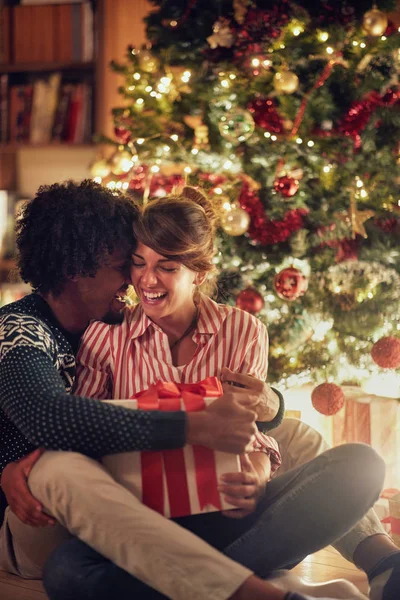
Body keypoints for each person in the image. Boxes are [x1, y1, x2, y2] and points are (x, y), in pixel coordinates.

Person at [37, 187, 388, 600]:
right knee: (66, 572)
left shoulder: (243, 330)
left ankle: (198, 583)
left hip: (226, 513)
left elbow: (251, 430)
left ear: (199, 272)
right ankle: (258, 587)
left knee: (361, 464)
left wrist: (257, 474)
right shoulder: (105, 336)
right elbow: (85, 435)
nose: (146, 280)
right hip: (147, 526)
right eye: (138, 263)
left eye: (166, 267)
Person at [0, 180, 289, 600]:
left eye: (163, 266)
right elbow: (50, 419)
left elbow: (248, 416)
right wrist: (193, 426)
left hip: (134, 500)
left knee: (303, 438)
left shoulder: (105, 323)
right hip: (38, 508)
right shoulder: (21, 332)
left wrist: (270, 406)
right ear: (74, 267)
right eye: (127, 263)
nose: (135, 281)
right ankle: (243, 585)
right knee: (57, 471)